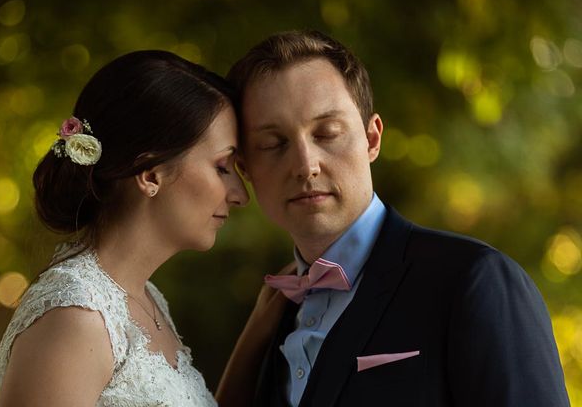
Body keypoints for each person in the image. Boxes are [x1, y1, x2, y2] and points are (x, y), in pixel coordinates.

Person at [225, 30, 570, 406]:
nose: (306, 166)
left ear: (372, 139)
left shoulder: (473, 279)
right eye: (274, 144)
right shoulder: (271, 318)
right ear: (246, 168)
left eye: (327, 133)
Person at [0, 50, 268, 406]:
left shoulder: (147, 299)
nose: (239, 195)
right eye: (222, 166)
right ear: (151, 174)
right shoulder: (76, 317)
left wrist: (258, 332)